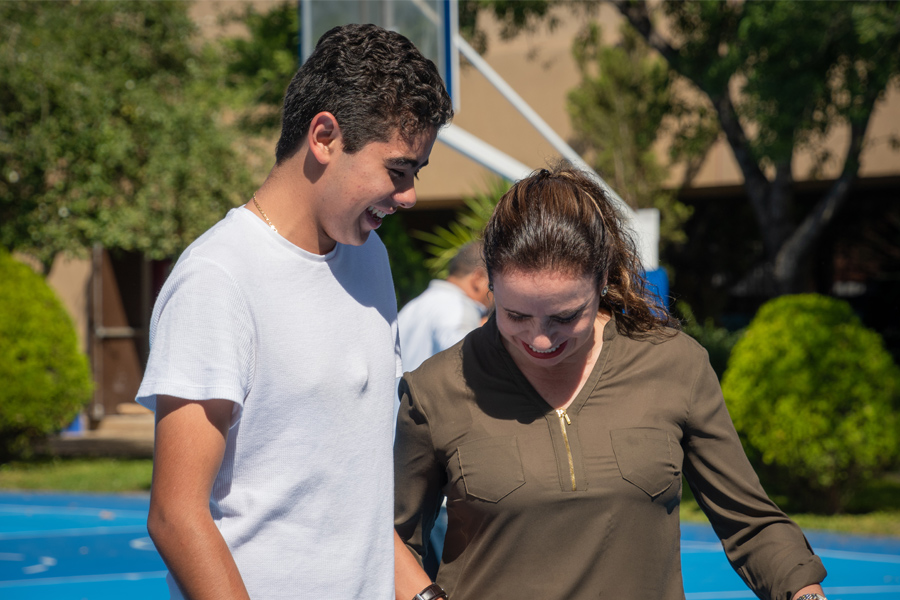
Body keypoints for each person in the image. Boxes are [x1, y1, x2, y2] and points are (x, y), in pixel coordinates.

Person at [393, 164, 828, 600]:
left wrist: (805, 593)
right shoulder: (435, 389)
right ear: (488, 282)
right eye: (517, 315)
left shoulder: (676, 365)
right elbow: (388, 541)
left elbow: (750, 523)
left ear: (603, 279)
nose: (540, 338)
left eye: (566, 316)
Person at [136, 24, 452, 600]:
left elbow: (351, 498)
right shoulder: (219, 276)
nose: (408, 197)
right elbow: (176, 516)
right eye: (399, 170)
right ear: (325, 136)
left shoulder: (369, 259)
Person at [397, 241, 492, 578]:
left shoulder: (414, 307)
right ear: (480, 279)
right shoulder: (459, 310)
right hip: (447, 470)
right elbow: (473, 379)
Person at [399, 241, 492, 373]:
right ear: (479, 277)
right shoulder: (458, 307)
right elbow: (469, 361)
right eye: (495, 283)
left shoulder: (413, 306)